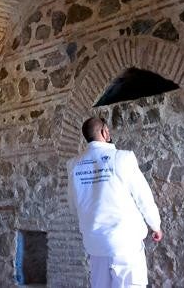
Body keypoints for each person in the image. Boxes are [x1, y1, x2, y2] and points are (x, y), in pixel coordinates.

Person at [67, 116, 163, 288]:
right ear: (104, 132)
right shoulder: (122, 158)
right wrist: (155, 225)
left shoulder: (74, 165)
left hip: (95, 245)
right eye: (107, 130)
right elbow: (143, 197)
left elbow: (73, 206)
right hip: (125, 244)